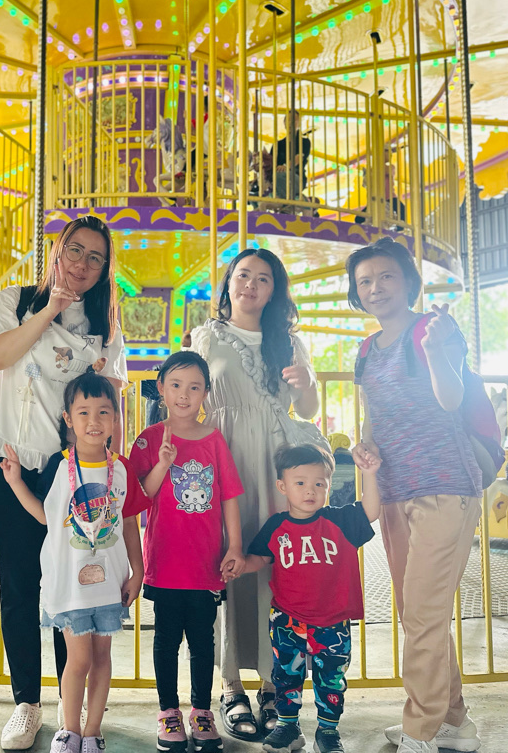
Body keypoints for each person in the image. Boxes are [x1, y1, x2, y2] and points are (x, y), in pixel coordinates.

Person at [0, 215, 127, 750]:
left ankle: (74, 709)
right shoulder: (17, 300)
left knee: (75, 584)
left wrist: (110, 469)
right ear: (57, 251)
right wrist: (49, 310)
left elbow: (111, 397)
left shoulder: (105, 322)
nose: (83, 264)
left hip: (76, 469)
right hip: (13, 461)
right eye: (75, 250)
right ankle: (26, 701)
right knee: (20, 582)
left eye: (96, 257)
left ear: (105, 268)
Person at [347, 237, 483, 753]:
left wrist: (433, 351)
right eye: (364, 281)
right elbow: (375, 415)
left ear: (407, 280)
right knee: (418, 613)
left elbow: (452, 399)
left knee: (424, 614)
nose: (375, 288)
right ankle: (454, 722)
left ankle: (420, 729)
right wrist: (366, 447)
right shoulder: (367, 349)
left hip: (445, 485)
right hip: (396, 489)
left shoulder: (433, 330)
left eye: (385, 276)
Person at [186, 247, 320, 741]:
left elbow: (309, 407)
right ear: (229, 283)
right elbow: (186, 396)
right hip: (226, 459)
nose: (251, 285)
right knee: (226, 562)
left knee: (276, 565)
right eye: (243, 275)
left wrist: (307, 383)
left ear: (273, 290)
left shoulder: (289, 342)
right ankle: (229, 686)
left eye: (263, 279)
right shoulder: (206, 336)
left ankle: (272, 683)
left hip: (277, 463)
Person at [0, 371, 147, 753]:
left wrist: (138, 570)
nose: (94, 421)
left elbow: (130, 522)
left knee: (102, 658)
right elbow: (45, 517)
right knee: (78, 659)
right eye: (83, 412)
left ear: (115, 418)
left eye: (103, 412)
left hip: (109, 583)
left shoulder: (122, 468)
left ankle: (93, 731)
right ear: (68, 418)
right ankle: (70, 731)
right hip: (69, 586)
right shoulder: (59, 466)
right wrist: (15, 482)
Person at [128, 351, 246, 753]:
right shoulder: (148, 439)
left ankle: (201, 712)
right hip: (165, 563)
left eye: (194, 387)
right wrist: (162, 464)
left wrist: (235, 545)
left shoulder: (214, 439)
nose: (184, 394)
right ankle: (168, 712)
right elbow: (137, 498)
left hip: (205, 565)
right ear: (161, 388)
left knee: (202, 641)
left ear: (206, 393)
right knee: (165, 640)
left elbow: (229, 496)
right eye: (176, 385)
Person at [236, 444, 382, 753]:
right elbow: (259, 559)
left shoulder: (341, 521)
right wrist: (239, 565)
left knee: (331, 679)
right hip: (287, 618)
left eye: (319, 483)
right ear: (283, 486)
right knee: (286, 675)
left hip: (333, 621)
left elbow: (371, 511)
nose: (310, 490)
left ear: (328, 486)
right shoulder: (276, 525)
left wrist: (369, 473)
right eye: (300, 482)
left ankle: (327, 731)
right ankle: (288, 727)